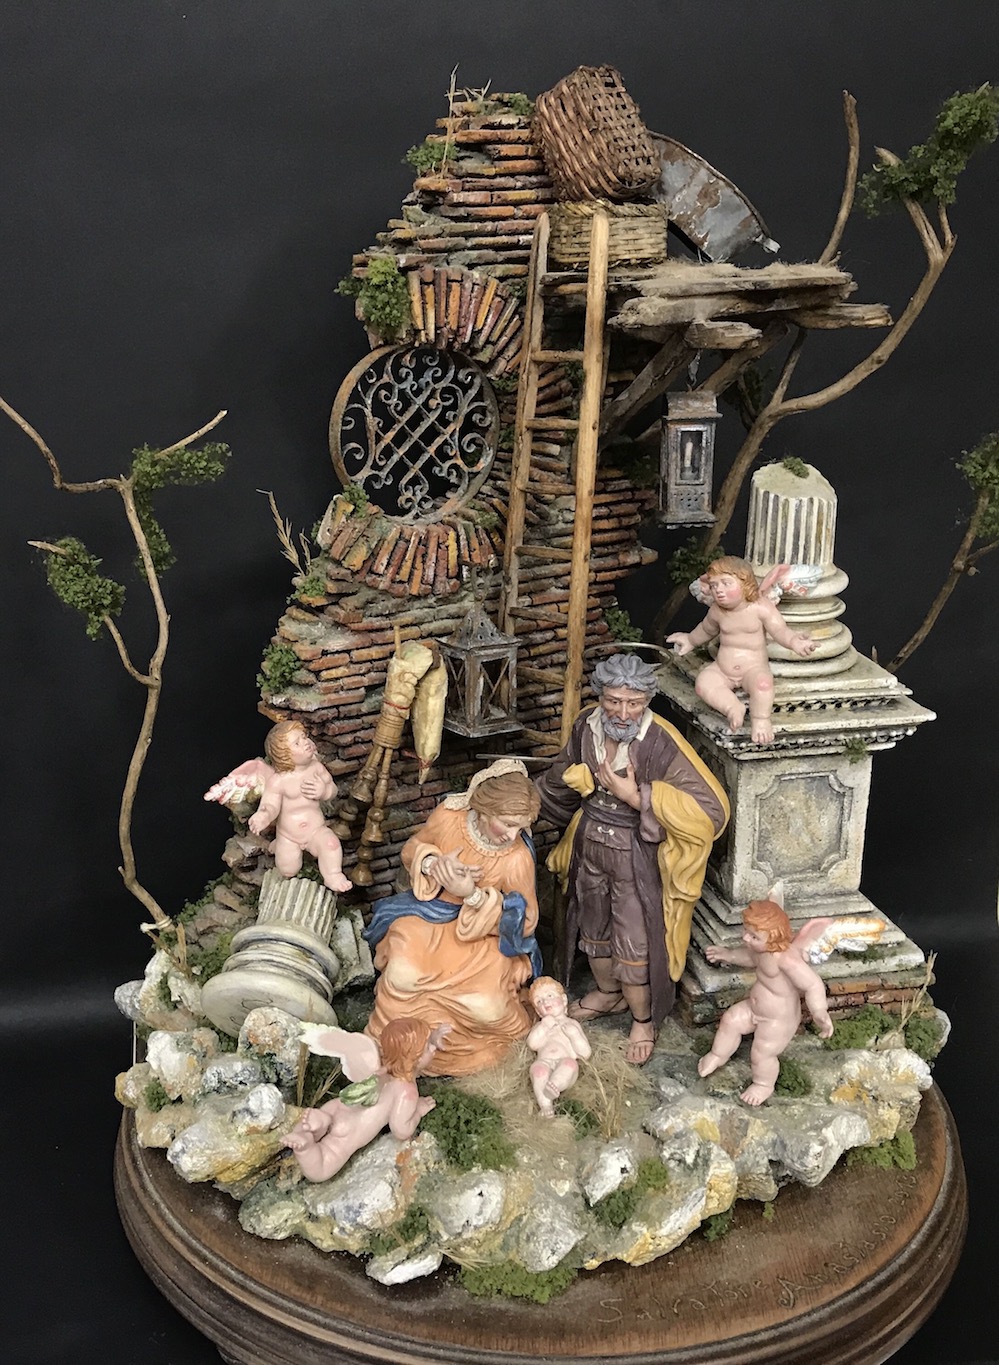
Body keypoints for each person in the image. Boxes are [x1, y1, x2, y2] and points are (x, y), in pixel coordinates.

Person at [536, 654, 729, 1065]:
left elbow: (710, 811)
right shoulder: (586, 726)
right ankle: (608, 994)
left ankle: (643, 1018)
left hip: (635, 855)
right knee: (593, 925)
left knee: (634, 935)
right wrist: (546, 791)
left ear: (646, 701)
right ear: (600, 696)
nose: (622, 713)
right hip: (590, 844)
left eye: (634, 703)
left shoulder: (660, 742)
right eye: (614, 701)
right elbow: (562, 772)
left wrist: (637, 797)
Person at [364, 759, 543, 1077]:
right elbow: (413, 848)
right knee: (402, 976)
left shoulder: (516, 857)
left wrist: (472, 895)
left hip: (481, 936)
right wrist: (434, 864)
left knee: (485, 1006)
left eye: (520, 827)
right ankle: (397, 1047)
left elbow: (527, 920)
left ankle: (463, 1055)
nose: (512, 835)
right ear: (484, 810)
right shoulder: (449, 817)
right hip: (428, 918)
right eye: (507, 823)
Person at [666, 556, 816, 745]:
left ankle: (760, 720)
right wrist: (689, 640)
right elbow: (706, 630)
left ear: (745, 583)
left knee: (763, 685)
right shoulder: (717, 611)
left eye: (726, 583)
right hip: (722, 668)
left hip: (753, 668)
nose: (718, 590)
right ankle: (732, 708)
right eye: (714, 585)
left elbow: (780, 630)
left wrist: (794, 641)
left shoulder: (761, 608)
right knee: (703, 683)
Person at [697, 899, 834, 1105]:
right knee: (730, 1020)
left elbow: (813, 984)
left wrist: (819, 1011)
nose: (746, 938)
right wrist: (728, 955)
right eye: (746, 931)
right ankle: (718, 1054)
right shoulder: (761, 951)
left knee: (762, 1053)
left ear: (773, 937)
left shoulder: (786, 959)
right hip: (754, 1008)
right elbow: (750, 958)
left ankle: (763, 1084)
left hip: (778, 1020)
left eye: (754, 936)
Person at [283, 1018, 443, 1181]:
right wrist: (418, 1111)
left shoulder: (385, 1069)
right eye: (427, 1046)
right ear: (414, 1058)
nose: (433, 1048)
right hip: (351, 1129)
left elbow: (404, 1052)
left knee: (320, 1120)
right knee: (321, 1170)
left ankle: (314, 1127)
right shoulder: (407, 1092)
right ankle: (305, 1149)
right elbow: (401, 1130)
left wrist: (434, 1039)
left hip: (340, 1107)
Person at [206, 720, 351, 893]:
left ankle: (333, 875)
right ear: (284, 755)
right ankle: (280, 844)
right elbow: (270, 805)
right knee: (288, 869)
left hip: (316, 830)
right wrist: (263, 816)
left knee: (331, 844)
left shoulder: (317, 768)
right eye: (297, 743)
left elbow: (333, 790)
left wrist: (324, 791)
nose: (305, 742)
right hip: (289, 835)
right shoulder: (278, 781)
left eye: (304, 737)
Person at [526, 977, 591, 1117]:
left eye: (550, 996)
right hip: (544, 1061)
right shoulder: (541, 1026)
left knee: (569, 1065)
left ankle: (555, 1084)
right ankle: (545, 1106)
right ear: (538, 1012)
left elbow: (585, 1053)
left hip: (565, 1060)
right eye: (539, 1001)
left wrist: (574, 1035)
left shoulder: (572, 1024)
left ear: (564, 1000)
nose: (545, 1002)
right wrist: (543, 1027)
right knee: (538, 1070)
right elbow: (532, 1044)